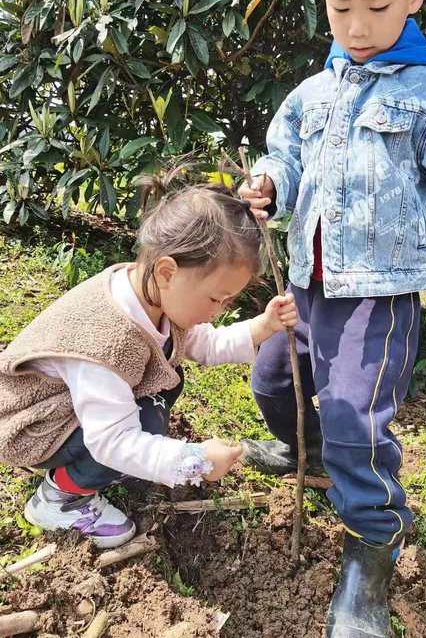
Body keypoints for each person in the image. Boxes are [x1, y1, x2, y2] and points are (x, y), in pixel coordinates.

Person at [238, 0, 426, 635]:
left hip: (378, 296)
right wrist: (270, 184)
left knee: (353, 420)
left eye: (376, 6)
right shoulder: (313, 92)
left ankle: (372, 540)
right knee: (272, 382)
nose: (357, 27)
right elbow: (286, 157)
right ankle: (305, 456)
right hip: (306, 285)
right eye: (340, 8)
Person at [0, 173, 297, 549]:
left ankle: (116, 461)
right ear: (168, 271)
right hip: (33, 427)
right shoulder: (106, 338)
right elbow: (113, 441)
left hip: (70, 409)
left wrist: (261, 327)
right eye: (216, 299)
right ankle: (59, 498)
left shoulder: (153, 293)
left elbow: (202, 343)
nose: (219, 311)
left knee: (160, 395)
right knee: (141, 426)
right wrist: (195, 460)